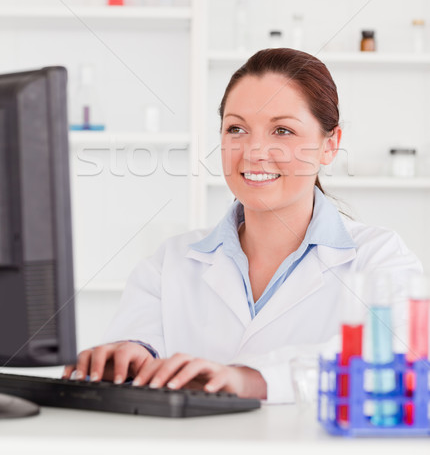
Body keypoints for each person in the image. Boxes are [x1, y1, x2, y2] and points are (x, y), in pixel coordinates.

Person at [63, 48, 423, 403]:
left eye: (282, 130)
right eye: (236, 128)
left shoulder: (379, 259)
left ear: (330, 146)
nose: (254, 151)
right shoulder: (169, 262)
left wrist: (252, 380)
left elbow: (393, 365)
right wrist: (132, 356)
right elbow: (139, 341)